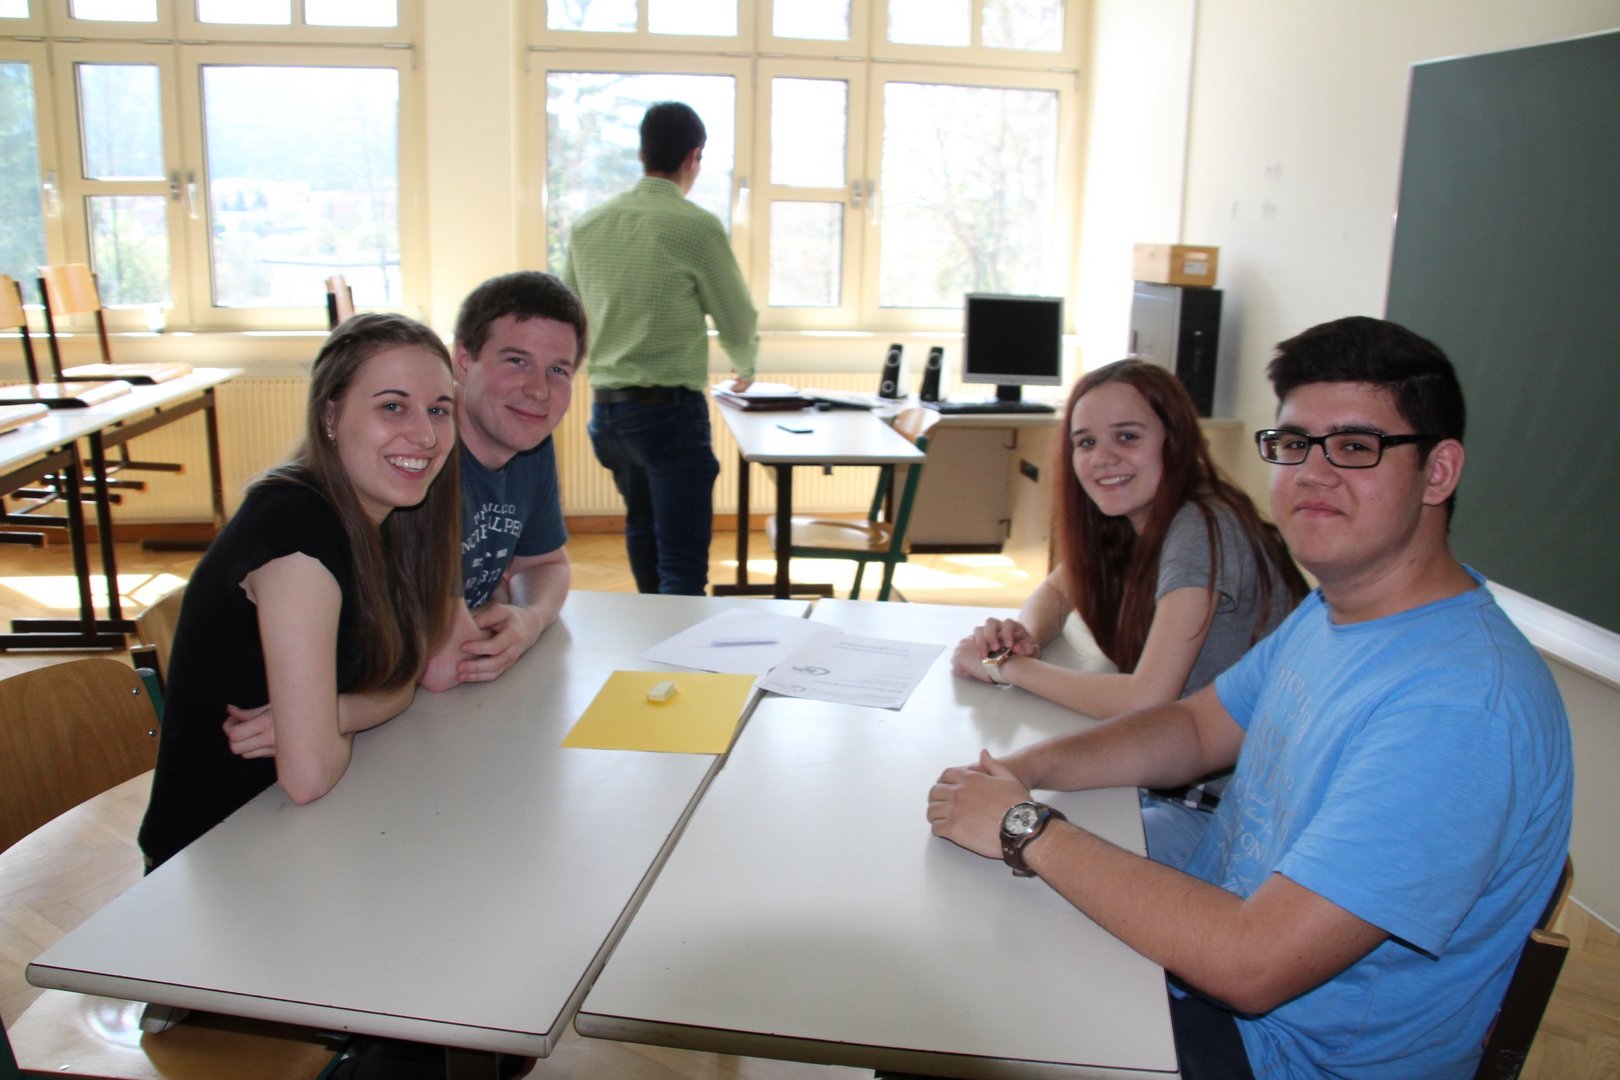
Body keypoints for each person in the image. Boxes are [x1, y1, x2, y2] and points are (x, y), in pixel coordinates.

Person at [926, 317, 1573, 1079]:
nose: (1313, 473)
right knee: (951, 958)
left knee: (950, 1017)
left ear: (1438, 472)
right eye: (1294, 444)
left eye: (1355, 447)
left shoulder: (1460, 709)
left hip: (1283, 1055)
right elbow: (1196, 728)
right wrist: (1027, 770)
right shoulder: (1335, 613)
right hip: (1206, 968)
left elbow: (1253, 965)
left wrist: (1025, 826)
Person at [953, 360, 1307, 866]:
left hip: (1232, 813)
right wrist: (1019, 634)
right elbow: (1057, 591)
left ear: (1174, 441)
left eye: (1127, 436)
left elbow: (1146, 698)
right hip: (1167, 780)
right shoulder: (1129, 518)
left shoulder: (1202, 524)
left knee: (1005, 852)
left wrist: (1007, 666)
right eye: (1086, 442)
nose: (1103, 458)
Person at [139, 313, 460, 869]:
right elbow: (308, 776)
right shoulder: (298, 538)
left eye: (438, 410)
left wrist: (336, 712)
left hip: (296, 829)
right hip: (223, 859)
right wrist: (324, 727)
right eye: (392, 406)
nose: (426, 436)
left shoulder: (387, 513)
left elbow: (405, 677)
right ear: (330, 416)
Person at [562, 100, 759, 596]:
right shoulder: (695, 226)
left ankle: (652, 636)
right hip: (669, 415)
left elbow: (567, 315)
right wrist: (745, 364)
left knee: (642, 529)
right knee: (683, 564)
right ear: (694, 156)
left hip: (608, 416)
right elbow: (735, 313)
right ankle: (678, 646)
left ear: (642, 152)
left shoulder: (589, 226)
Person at [421, 270, 585, 691]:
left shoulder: (530, 443)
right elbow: (441, 661)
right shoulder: (424, 453)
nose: (539, 391)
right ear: (463, 361)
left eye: (558, 370)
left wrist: (528, 618)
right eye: (517, 361)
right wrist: (497, 598)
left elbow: (545, 564)